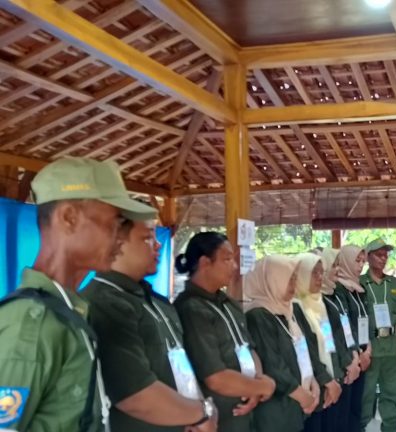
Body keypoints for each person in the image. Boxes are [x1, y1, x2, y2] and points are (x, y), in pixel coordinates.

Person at [0, 157, 157, 431]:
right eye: (116, 222)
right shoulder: (33, 325)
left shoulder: (68, 312)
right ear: (69, 218)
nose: (121, 237)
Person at [82, 217, 217, 431]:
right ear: (117, 243)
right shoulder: (105, 303)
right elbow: (134, 396)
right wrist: (201, 414)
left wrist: (196, 410)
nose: (158, 244)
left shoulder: (157, 301)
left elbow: (182, 366)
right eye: (147, 238)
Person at [174, 232, 276, 431]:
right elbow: (215, 378)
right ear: (205, 263)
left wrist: (256, 385)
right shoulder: (191, 309)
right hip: (218, 419)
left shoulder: (229, 303)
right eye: (227, 259)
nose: (235, 266)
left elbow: (249, 348)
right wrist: (263, 386)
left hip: (246, 411)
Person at [245, 255, 330, 432]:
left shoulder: (289, 310)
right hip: (278, 408)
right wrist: (302, 395)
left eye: (295, 279)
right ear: (273, 281)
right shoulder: (258, 316)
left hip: (299, 401)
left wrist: (313, 381)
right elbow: (272, 365)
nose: (294, 285)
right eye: (289, 280)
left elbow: (304, 349)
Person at [293, 253, 343, 432]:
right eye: (314, 272)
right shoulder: (295, 307)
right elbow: (308, 349)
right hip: (312, 385)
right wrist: (326, 380)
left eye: (322, 272)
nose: (320, 277)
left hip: (329, 381)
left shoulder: (319, 304)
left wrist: (334, 377)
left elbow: (329, 342)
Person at [360, 238, 396, 432]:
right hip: (370, 348)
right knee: (365, 397)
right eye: (379, 255)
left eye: (386, 255)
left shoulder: (395, 283)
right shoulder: (359, 283)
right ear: (368, 257)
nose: (383, 258)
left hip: (391, 348)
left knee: (392, 395)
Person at [321, 247, 361, 431]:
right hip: (334, 370)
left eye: (338, 265)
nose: (337, 269)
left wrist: (355, 356)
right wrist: (348, 362)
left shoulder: (335, 295)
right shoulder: (318, 302)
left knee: (347, 419)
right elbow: (328, 340)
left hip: (347, 364)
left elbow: (346, 330)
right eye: (333, 265)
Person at [335, 245, 372, 432]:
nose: (360, 265)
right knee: (345, 412)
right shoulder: (339, 290)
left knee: (358, 407)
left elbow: (365, 320)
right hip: (350, 357)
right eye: (357, 261)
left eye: (362, 261)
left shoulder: (358, 288)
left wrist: (368, 350)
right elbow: (345, 325)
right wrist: (358, 353)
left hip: (363, 354)